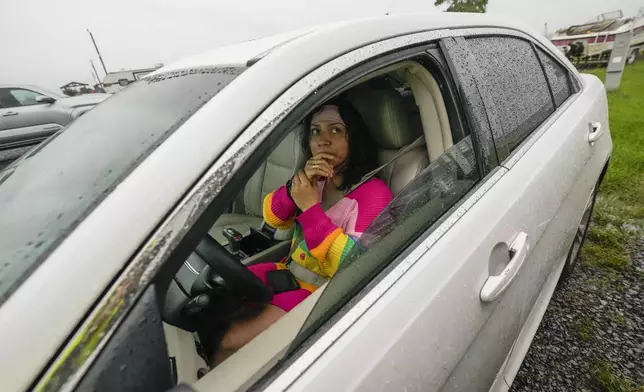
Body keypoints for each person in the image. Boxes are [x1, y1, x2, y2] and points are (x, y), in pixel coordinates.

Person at [214, 99, 393, 364]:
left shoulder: (375, 194)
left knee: (229, 342)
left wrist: (310, 209)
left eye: (335, 130)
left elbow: (353, 266)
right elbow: (273, 217)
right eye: (315, 131)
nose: (322, 140)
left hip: (322, 295)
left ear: (354, 138)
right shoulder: (317, 180)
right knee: (214, 302)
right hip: (287, 275)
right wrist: (293, 189)